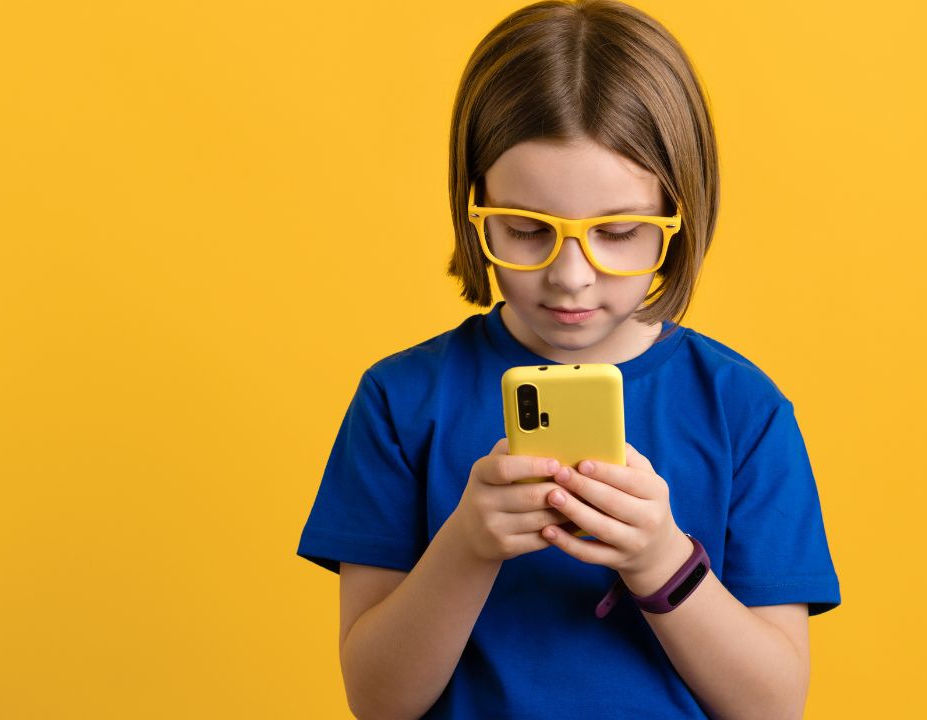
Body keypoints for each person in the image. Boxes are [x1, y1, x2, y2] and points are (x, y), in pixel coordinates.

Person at [296, 1, 841, 717]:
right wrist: (467, 546)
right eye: (527, 229)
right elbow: (378, 702)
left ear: (679, 218)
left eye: (617, 232)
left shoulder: (743, 411)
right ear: (474, 206)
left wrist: (661, 560)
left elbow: (773, 707)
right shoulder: (401, 401)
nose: (571, 276)